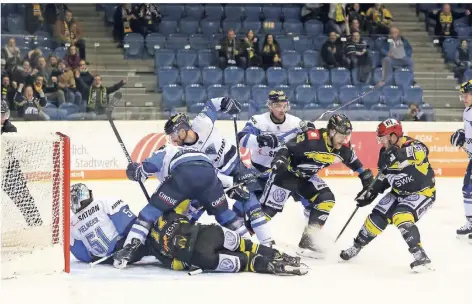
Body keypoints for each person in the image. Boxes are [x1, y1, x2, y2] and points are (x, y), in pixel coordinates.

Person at [113, 145, 251, 269]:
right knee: (224, 214)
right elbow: (214, 175)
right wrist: (233, 184)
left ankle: (130, 247)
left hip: (184, 175)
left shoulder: (166, 150)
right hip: (209, 177)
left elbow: (148, 167)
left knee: (149, 213)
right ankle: (248, 243)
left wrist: (135, 172)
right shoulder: (195, 151)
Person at [163, 97, 272, 245]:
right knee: (194, 208)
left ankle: (266, 243)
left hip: (234, 166)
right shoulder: (183, 151)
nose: (172, 140)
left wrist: (226, 101)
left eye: (173, 135)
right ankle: (174, 236)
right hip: (211, 180)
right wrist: (232, 183)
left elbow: (212, 105)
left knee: (250, 200)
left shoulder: (202, 122)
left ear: (182, 130)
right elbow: (204, 176)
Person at [265, 114, 373, 258]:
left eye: (347, 136)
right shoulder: (312, 138)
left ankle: (308, 240)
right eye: (342, 135)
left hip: (307, 178)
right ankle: (243, 235)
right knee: (267, 212)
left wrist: (367, 180)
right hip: (287, 175)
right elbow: (287, 147)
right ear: (332, 132)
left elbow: (357, 165)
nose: (345, 140)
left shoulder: (344, 148)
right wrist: (281, 159)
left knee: (326, 199)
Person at [340, 118, 435, 272]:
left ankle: (420, 255)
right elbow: (384, 178)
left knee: (401, 216)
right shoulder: (383, 153)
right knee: (375, 218)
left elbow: (423, 151)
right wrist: (370, 192)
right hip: (397, 193)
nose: (381, 142)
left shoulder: (412, 144)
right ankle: (356, 246)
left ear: (393, 136)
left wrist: (399, 154)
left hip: (421, 193)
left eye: (383, 138)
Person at [147, 210, 308, 276]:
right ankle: (279, 255)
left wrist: (188, 261)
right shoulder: (170, 214)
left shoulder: (151, 245)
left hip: (201, 256)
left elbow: (175, 264)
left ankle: (272, 266)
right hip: (211, 234)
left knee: (246, 261)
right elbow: (190, 219)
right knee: (248, 245)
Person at [69, 183, 149, 264]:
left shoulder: (71, 224)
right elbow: (128, 225)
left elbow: (82, 255)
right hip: (127, 250)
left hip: (105, 260)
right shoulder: (103, 203)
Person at [1, 100, 43, 226]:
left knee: (23, 197)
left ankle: (35, 223)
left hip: (8, 167)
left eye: (3, 115)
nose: (1, 118)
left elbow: (15, 152)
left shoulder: (10, 129)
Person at [450, 80, 472, 241]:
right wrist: (462, 135)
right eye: (463, 95)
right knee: (468, 189)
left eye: (467, 94)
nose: (464, 98)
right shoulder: (467, 111)